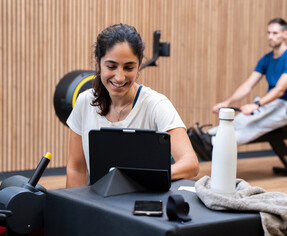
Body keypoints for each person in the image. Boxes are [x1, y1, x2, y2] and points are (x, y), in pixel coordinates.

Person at [66, 23, 199, 188]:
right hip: (99, 204)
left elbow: (190, 164)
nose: (120, 77)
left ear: (140, 63)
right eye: (111, 66)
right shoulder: (84, 102)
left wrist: (145, 176)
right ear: (97, 61)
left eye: (129, 67)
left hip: (142, 205)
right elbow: (76, 169)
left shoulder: (156, 105)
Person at [189, 18, 287, 161]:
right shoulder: (266, 59)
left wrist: (257, 105)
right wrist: (227, 102)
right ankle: (207, 135)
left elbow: (280, 89)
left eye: (275, 33)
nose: (270, 37)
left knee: (252, 125)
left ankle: (213, 144)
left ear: (285, 34)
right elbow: (248, 85)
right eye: (268, 33)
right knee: (239, 121)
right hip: (270, 103)